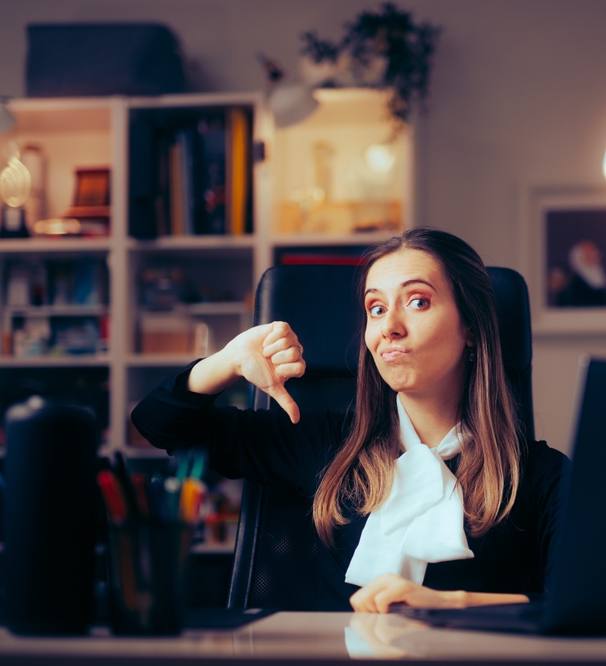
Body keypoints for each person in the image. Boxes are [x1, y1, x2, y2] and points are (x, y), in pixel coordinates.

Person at [132, 228, 570, 613]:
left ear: (471, 327)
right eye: (376, 309)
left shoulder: (539, 476)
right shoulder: (330, 444)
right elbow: (158, 424)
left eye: (418, 301)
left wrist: (452, 604)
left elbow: (578, 605)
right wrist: (226, 361)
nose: (389, 327)